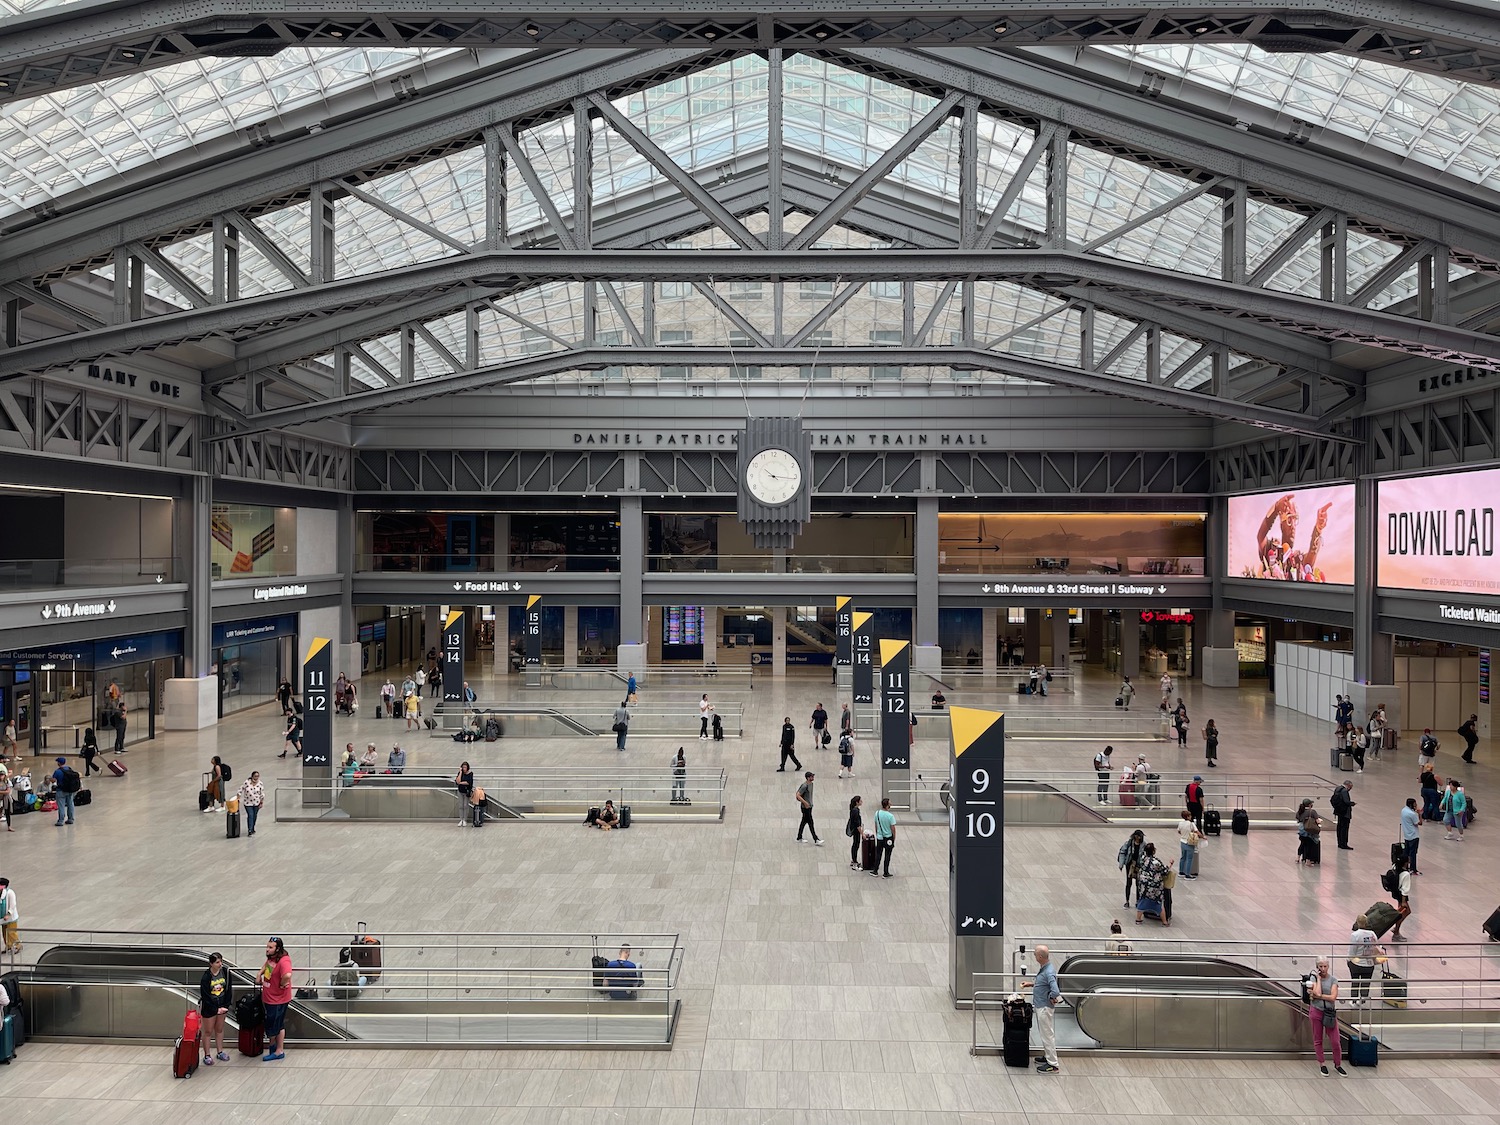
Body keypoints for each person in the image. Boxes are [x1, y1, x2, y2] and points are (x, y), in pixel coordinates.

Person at [1307, 958, 1346, 1076]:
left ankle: (1338, 1064)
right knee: (1318, 1039)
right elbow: (1317, 992)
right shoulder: (1313, 978)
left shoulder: (1333, 980)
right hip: (1316, 1011)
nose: (1323, 969)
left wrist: (1317, 996)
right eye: (1320, 967)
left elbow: (1332, 997)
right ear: (1317, 967)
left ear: (1328, 966)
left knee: (1335, 1041)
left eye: (1325, 966)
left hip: (1329, 1012)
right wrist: (1318, 980)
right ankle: (1322, 1064)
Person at [260, 937, 293, 1061]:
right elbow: (267, 965)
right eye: (267, 947)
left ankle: (277, 1050)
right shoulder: (271, 958)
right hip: (269, 997)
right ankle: (274, 1048)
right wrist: (259, 974)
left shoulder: (284, 960)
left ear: (277, 949)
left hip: (278, 999)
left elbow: (287, 974)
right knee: (276, 1023)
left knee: (275, 1024)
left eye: (270, 947)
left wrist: (282, 983)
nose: (267, 950)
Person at [1030, 945, 1061, 1073]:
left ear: (1040, 957)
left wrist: (1050, 997)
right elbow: (1044, 984)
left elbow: (1055, 990)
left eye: (1035, 954)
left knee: (1047, 1035)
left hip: (1044, 1007)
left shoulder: (1048, 971)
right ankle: (1048, 1056)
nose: (1034, 956)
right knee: (1045, 1034)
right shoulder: (1045, 968)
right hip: (1041, 1005)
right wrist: (1031, 984)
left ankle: (1052, 1064)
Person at [198, 952, 233, 1066]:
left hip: (222, 1004)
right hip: (209, 1007)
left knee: (219, 1029)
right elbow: (205, 995)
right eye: (217, 962)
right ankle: (207, 1055)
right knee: (208, 1031)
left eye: (221, 961)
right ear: (211, 964)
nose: (220, 964)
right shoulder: (206, 977)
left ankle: (220, 1051)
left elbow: (228, 989)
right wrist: (214, 1009)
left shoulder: (225, 973)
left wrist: (225, 1006)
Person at [1134, 842, 1170, 927]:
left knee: (1142, 902)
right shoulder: (1156, 862)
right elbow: (1164, 871)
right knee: (1158, 904)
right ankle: (1164, 922)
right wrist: (1170, 864)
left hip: (1144, 886)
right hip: (1155, 888)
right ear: (1153, 851)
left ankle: (1138, 919)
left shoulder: (1142, 858)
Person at [1346, 915, 1379, 1007]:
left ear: (1357, 922)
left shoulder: (1355, 935)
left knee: (1355, 980)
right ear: (1366, 923)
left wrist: (1348, 960)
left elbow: (1352, 951)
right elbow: (1375, 947)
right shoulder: (1372, 934)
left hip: (1357, 963)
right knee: (1366, 981)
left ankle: (1354, 999)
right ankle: (1363, 998)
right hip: (1369, 963)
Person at [1117, 829, 1145, 907]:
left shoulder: (1143, 844)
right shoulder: (1129, 843)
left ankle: (1138, 901)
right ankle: (1127, 901)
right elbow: (1122, 852)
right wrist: (1121, 864)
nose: (1140, 838)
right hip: (1130, 864)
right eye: (1139, 836)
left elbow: (1145, 855)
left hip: (1139, 866)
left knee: (1138, 884)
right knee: (1129, 883)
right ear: (1135, 836)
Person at [1388, 853, 1413, 940]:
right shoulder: (1406, 874)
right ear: (1406, 863)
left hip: (1396, 892)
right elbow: (1405, 890)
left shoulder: (1395, 867)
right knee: (1403, 912)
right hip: (1401, 896)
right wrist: (1403, 901)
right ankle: (1396, 932)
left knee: (1404, 912)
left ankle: (1396, 930)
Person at [795, 771, 821, 845]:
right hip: (805, 807)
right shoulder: (804, 786)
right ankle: (816, 839)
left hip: (809, 806)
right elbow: (798, 795)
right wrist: (805, 803)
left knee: (804, 822)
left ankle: (799, 837)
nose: (813, 778)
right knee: (810, 822)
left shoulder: (811, 784)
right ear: (808, 778)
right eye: (811, 776)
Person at [51, 756, 79, 826]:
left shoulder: (57, 771)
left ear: (59, 763)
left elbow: (53, 780)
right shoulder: (69, 769)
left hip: (61, 790)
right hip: (70, 790)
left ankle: (61, 821)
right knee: (70, 804)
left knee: (61, 806)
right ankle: (70, 819)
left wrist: (51, 779)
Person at [872, 796, 896, 877]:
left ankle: (875, 871)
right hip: (888, 837)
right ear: (887, 806)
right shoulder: (890, 816)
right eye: (890, 804)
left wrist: (878, 833)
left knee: (878, 854)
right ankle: (886, 872)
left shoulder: (877, 813)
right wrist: (893, 838)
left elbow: (876, 825)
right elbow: (893, 829)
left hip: (880, 837)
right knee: (887, 855)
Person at [1399, 796, 1422, 874]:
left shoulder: (1403, 810)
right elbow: (1419, 823)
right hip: (1414, 835)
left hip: (1406, 835)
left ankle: (1405, 866)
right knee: (1413, 853)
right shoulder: (1412, 814)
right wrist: (1420, 814)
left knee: (1406, 852)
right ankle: (1413, 869)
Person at [1331, 780, 1355, 850]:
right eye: (1350, 787)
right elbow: (1346, 801)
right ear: (1348, 785)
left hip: (1339, 811)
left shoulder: (1338, 789)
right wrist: (1352, 803)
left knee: (1339, 827)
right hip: (1345, 812)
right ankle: (1344, 844)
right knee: (1344, 828)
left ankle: (1339, 843)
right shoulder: (1344, 791)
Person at [239, 771, 265, 836]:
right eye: (255, 776)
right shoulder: (247, 782)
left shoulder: (260, 784)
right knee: (250, 815)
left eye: (257, 776)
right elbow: (240, 789)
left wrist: (261, 802)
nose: (256, 778)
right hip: (248, 803)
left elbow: (262, 793)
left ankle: (252, 827)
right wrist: (238, 797)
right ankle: (250, 829)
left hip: (256, 802)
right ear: (252, 776)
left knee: (254, 816)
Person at [1176, 810, 1200, 878]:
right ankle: (1187, 874)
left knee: (1183, 857)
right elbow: (1197, 832)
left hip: (1182, 841)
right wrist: (1203, 836)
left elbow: (1179, 831)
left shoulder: (1180, 823)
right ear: (1188, 816)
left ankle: (1181, 871)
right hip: (1189, 842)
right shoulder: (1191, 824)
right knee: (1189, 858)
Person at [0, 878, 19, 956]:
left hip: (10, 917)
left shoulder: (10, 893)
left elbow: (13, 904)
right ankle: (8, 946)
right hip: (2, 918)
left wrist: (8, 914)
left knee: (11, 932)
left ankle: (17, 946)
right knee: (4, 933)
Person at [846, 795, 864, 871]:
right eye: (860, 801)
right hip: (856, 831)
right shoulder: (855, 811)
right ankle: (854, 862)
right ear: (857, 802)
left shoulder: (854, 810)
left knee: (855, 844)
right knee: (856, 845)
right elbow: (857, 824)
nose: (862, 802)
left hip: (855, 830)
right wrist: (862, 833)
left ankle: (854, 860)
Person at [454, 762, 474, 826]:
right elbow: (457, 781)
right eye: (463, 767)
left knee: (465, 805)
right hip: (460, 791)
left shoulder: (470, 774)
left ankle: (465, 819)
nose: (464, 768)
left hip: (466, 792)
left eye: (465, 767)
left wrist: (461, 783)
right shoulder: (460, 773)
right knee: (460, 805)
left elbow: (469, 782)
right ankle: (461, 819)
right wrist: (460, 773)